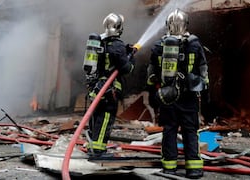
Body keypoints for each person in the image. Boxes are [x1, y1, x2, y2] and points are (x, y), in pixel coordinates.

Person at [146, 9, 209, 179]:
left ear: (167, 25)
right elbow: (203, 71)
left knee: (169, 130)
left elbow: (151, 76)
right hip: (189, 97)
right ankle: (194, 169)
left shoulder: (159, 45)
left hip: (168, 98)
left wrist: (157, 93)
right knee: (190, 131)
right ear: (186, 24)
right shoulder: (195, 43)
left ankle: (169, 168)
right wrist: (204, 91)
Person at [83, 12, 136, 160]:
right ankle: (98, 151)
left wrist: (126, 50)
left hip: (96, 87)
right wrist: (132, 60)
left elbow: (110, 56)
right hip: (109, 89)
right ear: (118, 27)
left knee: (95, 117)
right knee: (105, 119)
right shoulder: (117, 44)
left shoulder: (100, 40)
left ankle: (92, 146)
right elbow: (126, 68)